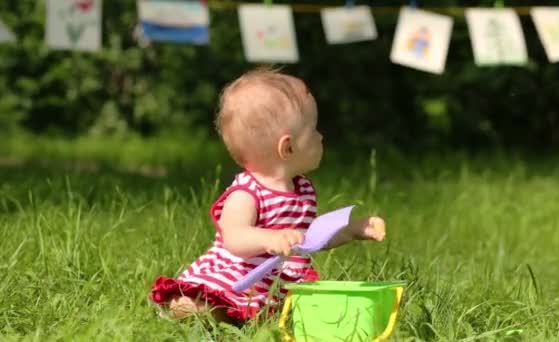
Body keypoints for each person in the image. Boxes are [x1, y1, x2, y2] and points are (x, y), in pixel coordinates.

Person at [149, 67, 386, 323]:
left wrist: (353, 230)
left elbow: (311, 239)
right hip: (237, 278)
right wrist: (269, 238)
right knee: (205, 305)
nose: (321, 136)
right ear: (288, 147)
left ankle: (252, 315)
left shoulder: (302, 190)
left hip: (275, 285)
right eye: (314, 129)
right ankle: (189, 309)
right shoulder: (246, 193)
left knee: (314, 311)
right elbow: (234, 237)